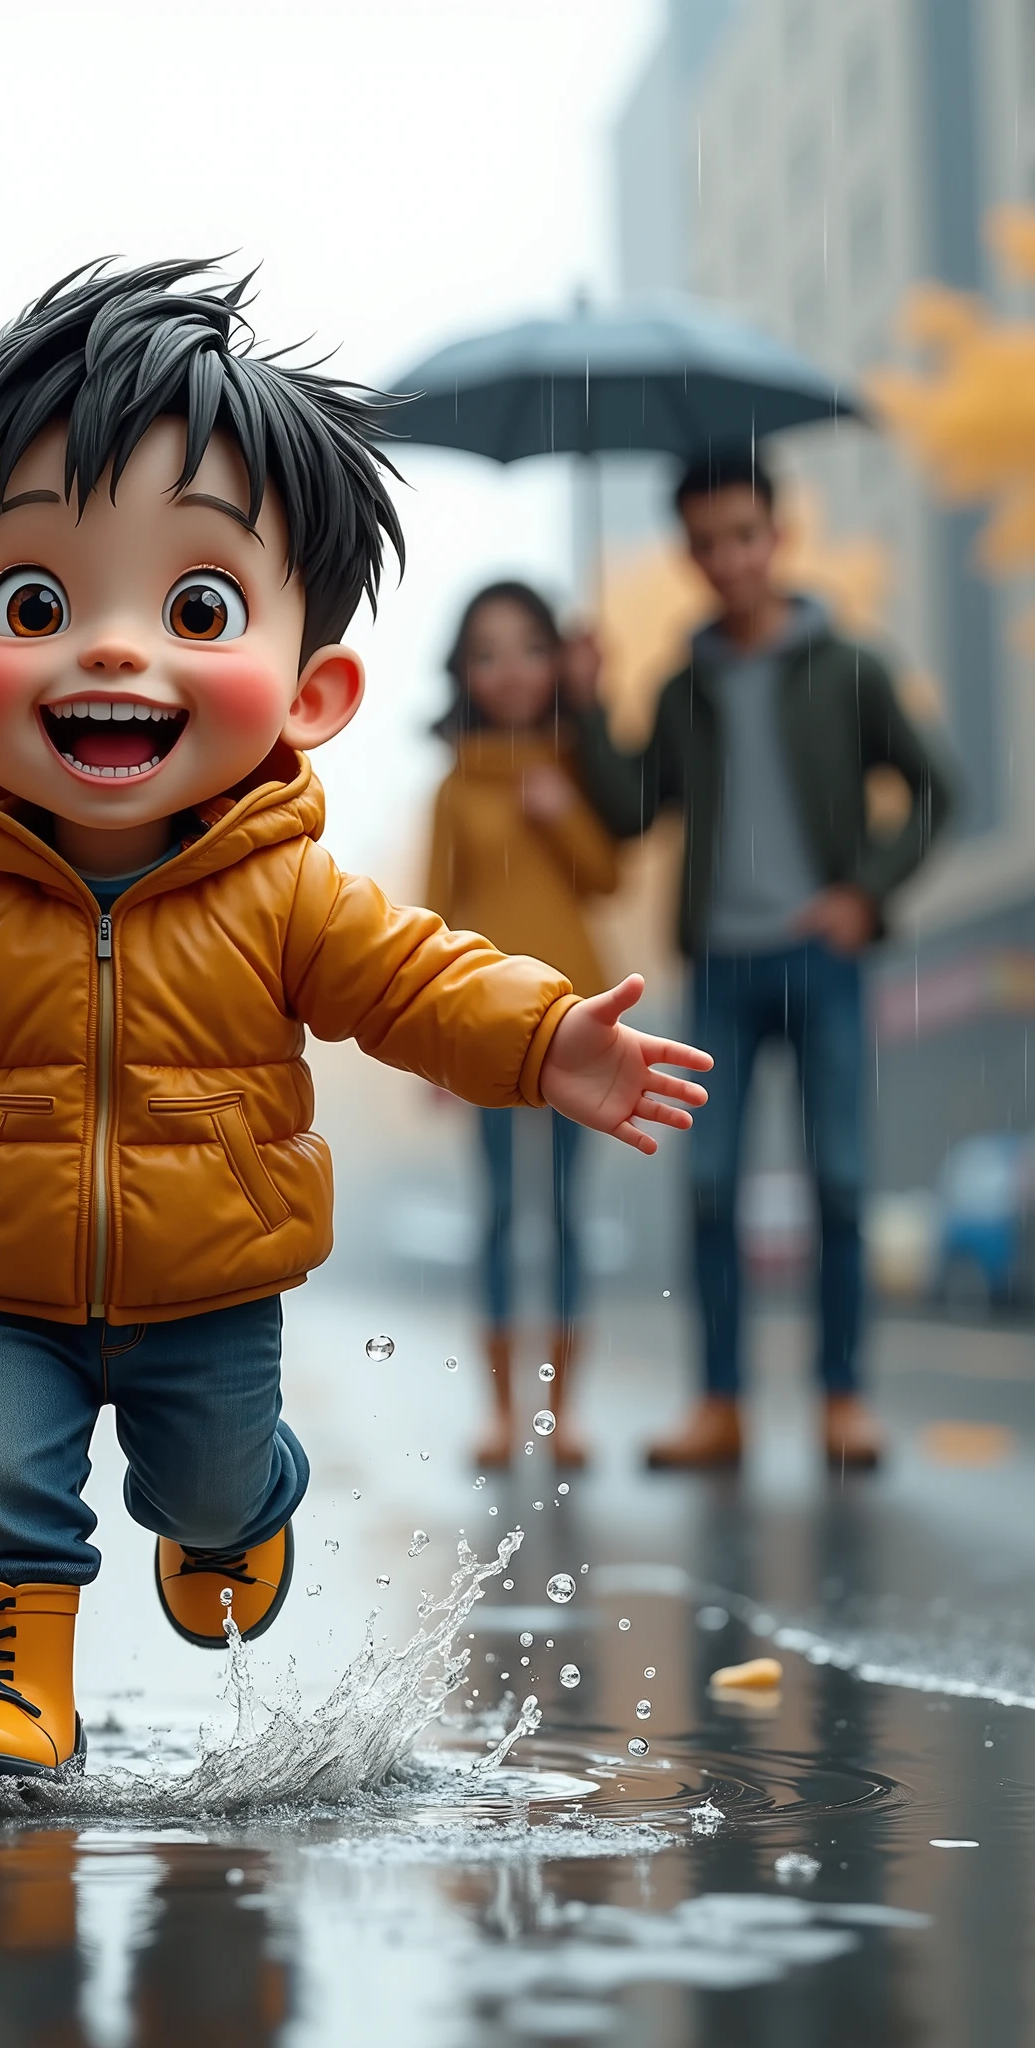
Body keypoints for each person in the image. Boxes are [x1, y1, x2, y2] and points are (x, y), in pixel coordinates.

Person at [0, 262, 711, 1785]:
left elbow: (421, 981)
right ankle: (14, 1693)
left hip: (210, 1287)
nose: (112, 651)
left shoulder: (288, 896)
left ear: (313, 690)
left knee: (206, 1490)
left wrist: (551, 1042)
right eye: (36, 603)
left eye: (196, 605)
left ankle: (246, 1508)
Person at [567, 448, 955, 1473]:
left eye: (741, 536)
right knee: (706, 1188)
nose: (725, 560)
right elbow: (629, 807)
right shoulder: (682, 685)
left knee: (836, 1179)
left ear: (774, 536)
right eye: (703, 544)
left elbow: (933, 789)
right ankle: (720, 1404)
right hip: (723, 969)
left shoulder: (848, 666)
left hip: (820, 959)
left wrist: (864, 890)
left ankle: (840, 1399)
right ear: (689, 555)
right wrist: (586, 702)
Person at [426, 581, 620, 1469]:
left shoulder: (575, 766)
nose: (509, 670)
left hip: (579, 1018)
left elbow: (605, 877)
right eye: (489, 652)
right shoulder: (454, 785)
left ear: (555, 663)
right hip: (490, 1025)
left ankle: (566, 1413)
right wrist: (430, 1045)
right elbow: (430, 919)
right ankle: (502, 1415)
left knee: (569, 1217)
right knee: (502, 1214)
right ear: (465, 671)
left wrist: (564, 808)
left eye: (529, 648)